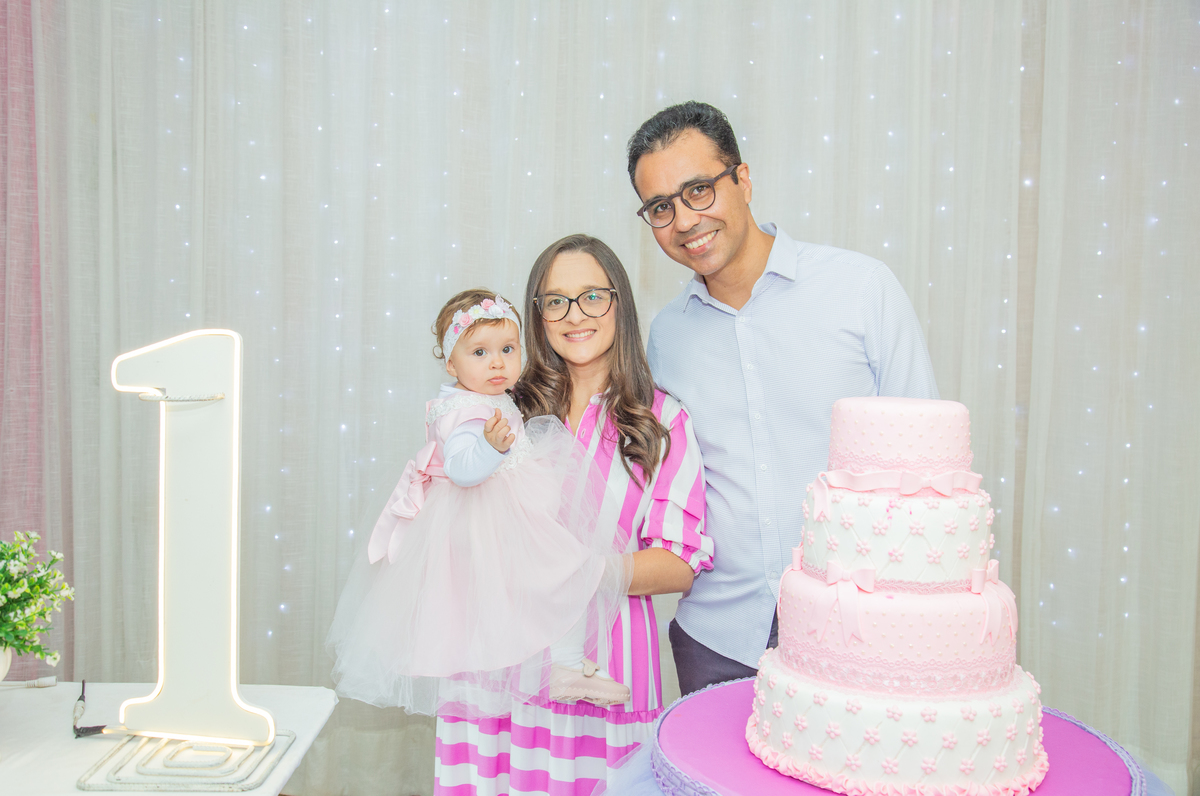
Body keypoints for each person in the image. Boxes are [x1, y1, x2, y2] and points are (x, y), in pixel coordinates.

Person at [628, 101, 939, 696]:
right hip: (717, 637)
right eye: (661, 207)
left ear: (743, 180)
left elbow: (925, 466)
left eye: (699, 190)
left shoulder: (861, 289)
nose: (685, 220)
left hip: (860, 629)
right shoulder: (667, 335)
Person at [433, 236, 714, 795]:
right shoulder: (502, 406)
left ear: (620, 304)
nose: (574, 315)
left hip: (607, 669)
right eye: (556, 301)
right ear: (537, 314)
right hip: (496, 665)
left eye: (592, 296)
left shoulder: (661, 421)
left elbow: (679, 563)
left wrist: (583, 571)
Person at [327, 288, 632, 719]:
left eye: (508, 349)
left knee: (549, 582)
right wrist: (490, 448)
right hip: (485, 519)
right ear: (452, 364)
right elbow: (462, 469)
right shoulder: (465, 410)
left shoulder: (480, 398)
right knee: (564, 573)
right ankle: (560, 665)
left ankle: (557, 664)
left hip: (497, 514)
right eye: (480, 352)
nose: (497, 363)